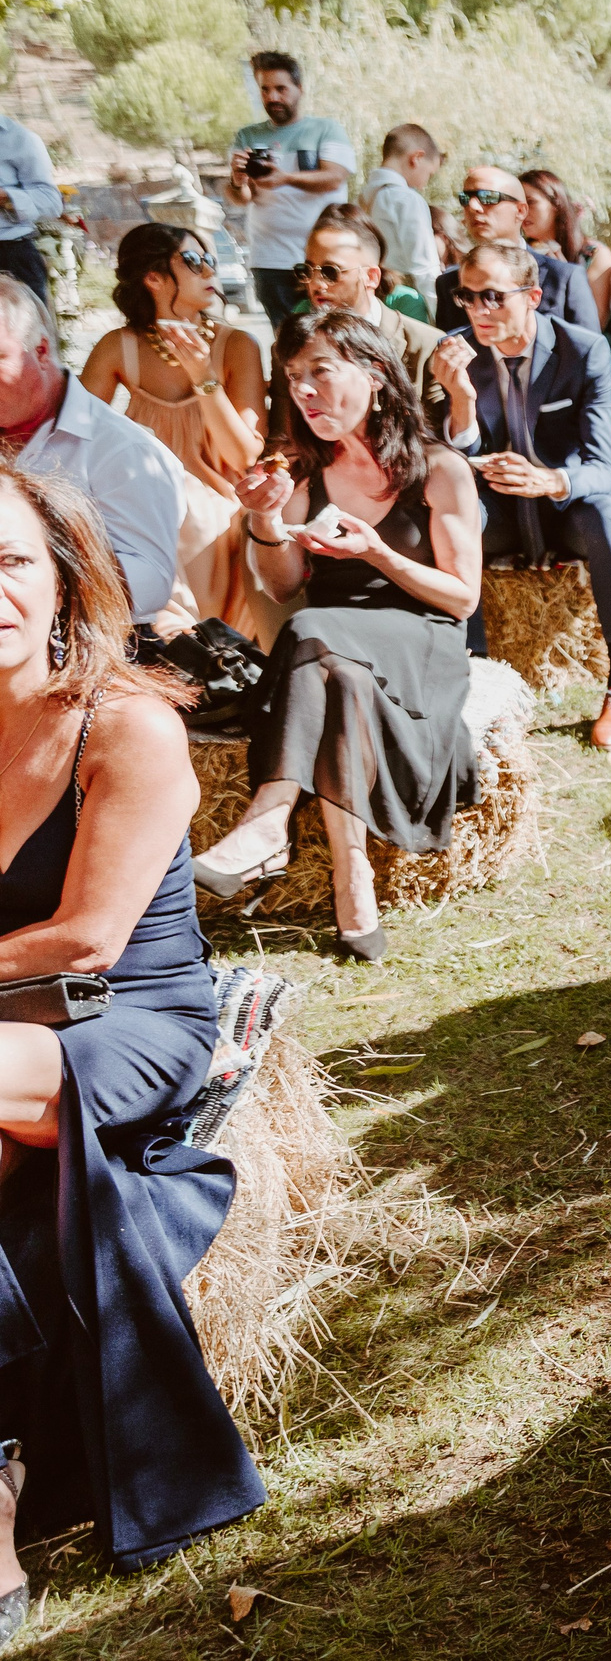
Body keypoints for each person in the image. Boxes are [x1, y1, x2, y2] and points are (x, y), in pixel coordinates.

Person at [0, 463, 267, 1584]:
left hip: (124, 1018)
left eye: (9, 561)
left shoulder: (129, 726)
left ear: (64, 583)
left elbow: (84, 943)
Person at [191, 312, 482, 960]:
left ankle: (268, 821)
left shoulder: (438, 468)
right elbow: (282, 579)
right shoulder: (304, 471)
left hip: (421, 639)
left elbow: (464, 597)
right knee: (337, 669)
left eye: (321, 370)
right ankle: (355, 885)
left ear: (375, 374)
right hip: (333, 650)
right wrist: (264, 517)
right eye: (294, 377)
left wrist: (378, 553)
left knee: (312, 629)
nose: (304, 390)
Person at [428, 242, 611, 753]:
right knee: (453, 514)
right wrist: (459, 396)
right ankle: (474, 673)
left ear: (533, 297)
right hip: (500, 508)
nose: (479, 310)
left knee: (606, 509)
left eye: (494, 297)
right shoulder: (453, 352)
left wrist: (550, 481)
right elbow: (448, 457)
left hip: (565, 508)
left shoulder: (583, 349)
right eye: (468, 296)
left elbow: (603, 466)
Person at [78, 222, 269, 638]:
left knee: (192, 512)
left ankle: (197, 649)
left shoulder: (237, 345)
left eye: (210, 259)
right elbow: (76, 431)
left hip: (222, 496)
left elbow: (245, 457)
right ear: (153, 278)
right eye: (193, 260)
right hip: (139, 491)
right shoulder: (118, 346)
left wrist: (203, 377)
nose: (208, 271)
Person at [0, 275, 186, 625]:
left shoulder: (121, 450)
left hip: (85, 650)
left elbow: (150, 583)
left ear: (40, 351)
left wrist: (39, 576)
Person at [223, 51, 356, 331]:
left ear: (299, 89)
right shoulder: (247, 136)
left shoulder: (326, 129)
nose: (273, 97)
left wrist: (285, 178)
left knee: (333, 335)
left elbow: (334, 178)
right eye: (265, 89)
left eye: (281, 89)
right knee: (285, 341)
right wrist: (237, 180)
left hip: (325, 260)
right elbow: (241, 198)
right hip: (271, 259)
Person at [283, 202, 445, 410]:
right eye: (306, 270)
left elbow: (438, 435)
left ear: (370, 276)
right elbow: (282, 434)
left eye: (330, 272)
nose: (316, 283)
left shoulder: (426, 345)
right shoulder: (292, 346)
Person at [431, 165, 601, 335]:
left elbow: (589, 352)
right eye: (465, 198)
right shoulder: (450, 283)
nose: (473, 206)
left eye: (487, 197)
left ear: (520, 211)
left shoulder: (563, 278)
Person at [360, 122, 443, 307]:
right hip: (406, 301)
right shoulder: (407, 200)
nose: (424, 184)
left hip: (371, 299)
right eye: (430, 174)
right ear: (416, 158)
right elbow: (424, 267)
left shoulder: (363, 198)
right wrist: (438, 313)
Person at [521, 168, 611, 330]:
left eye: (531, 202)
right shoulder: (519, 255)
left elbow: (592, 326)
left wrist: (563, 279)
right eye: (518, 204)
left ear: (556, 204)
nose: (523, 210)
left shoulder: (595, 255)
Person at [0, 113, 61, 306]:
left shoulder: (19, 138)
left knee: (23, 335)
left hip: (10, 256)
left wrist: (5, 196)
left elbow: (51, 201)